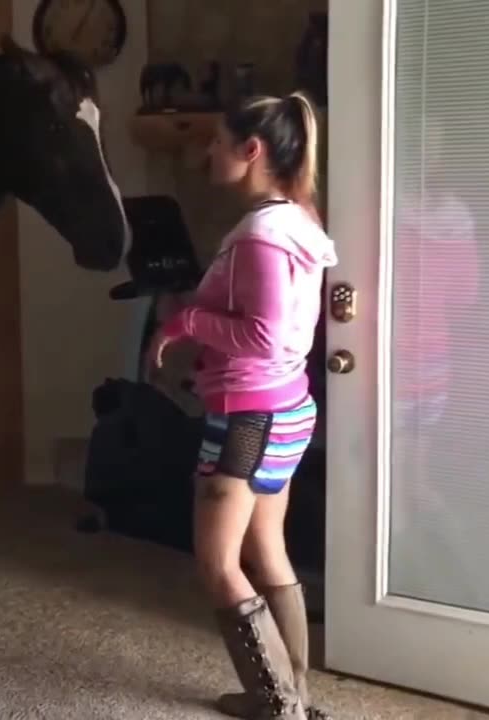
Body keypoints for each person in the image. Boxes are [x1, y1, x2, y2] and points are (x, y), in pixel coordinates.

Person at [152, 91, 337, 720]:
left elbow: (261, 333)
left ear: (251, 151)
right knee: (267, 548)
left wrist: (186, 322)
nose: (208, 153)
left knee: (218, 562)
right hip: (285, 407)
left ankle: (280, 705)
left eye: (219, 142)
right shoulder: (299, 219)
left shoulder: (261, 236)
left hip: (248, 416)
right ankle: (293, 696)